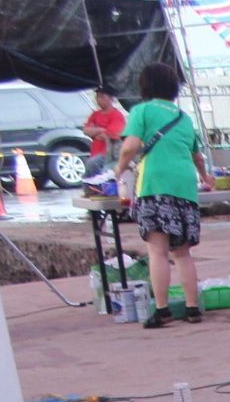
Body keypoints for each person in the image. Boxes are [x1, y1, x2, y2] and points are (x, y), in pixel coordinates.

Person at [116, 63, 214, 329]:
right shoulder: (184, 117)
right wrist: (205, 177)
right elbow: (196, 156)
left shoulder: (142, 111)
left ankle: (162, 310)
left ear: (145, 86)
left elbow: (130, 147)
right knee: (182, 253)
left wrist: (118, 169)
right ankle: (193, 308)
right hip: (185, 187)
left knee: (157, 251)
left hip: (155, 185)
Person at [82, 87, 125, 169]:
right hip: (95, 154)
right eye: (97, 96)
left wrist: (95, 131)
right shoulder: (95, 114)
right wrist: (101, 130)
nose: (99, 99)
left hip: (109, 156)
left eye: (102, 96)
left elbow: (113, 135)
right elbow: (86, 130)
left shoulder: (117, 115)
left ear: (111, 98)